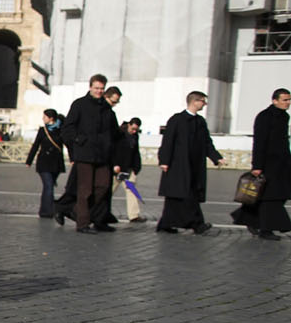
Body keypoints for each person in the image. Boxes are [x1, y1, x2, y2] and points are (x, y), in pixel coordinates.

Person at [156, 91, 226, 234]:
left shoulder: (200, 122)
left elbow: (207, 143)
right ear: (194, 101)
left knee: (179, 197)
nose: (204, 104)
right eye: (203, 101)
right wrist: (164, 161)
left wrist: (216, 157)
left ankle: (166, 223)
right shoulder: (176, 120)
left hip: (195, 166)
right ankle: (196, 224)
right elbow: (168, 141)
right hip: (178, 165)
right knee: (182, 195)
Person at [61, 75, 121, 234]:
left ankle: (77, 210)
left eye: (101, 89)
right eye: (96, 88)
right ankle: (82, 223)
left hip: (103, 155)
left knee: (103, 186)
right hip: (85, 153)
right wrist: (79, 141)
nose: (99, 91)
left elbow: (114, 133)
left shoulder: (107, 109)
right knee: (85, 190)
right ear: (90, 87)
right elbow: (68, 128)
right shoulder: (80, 104)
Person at [231, 88, 291, 240]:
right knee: (271, 197)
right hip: (267, 164)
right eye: (285, 100)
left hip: (282, 163)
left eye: (289, 100)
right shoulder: (264, 117)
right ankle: (266, 229)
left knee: (272, 195)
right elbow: (259, 142)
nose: (288, 103)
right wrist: (257, 165)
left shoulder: (284, 117)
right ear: (274, 100)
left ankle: (247, 217)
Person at [25, 109, 66, 218]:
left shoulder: (61, 130)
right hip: (44, 162)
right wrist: (29, 160)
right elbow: (36, 145)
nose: (43, 119)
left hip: (56, 163)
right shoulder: (42, 130)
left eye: (45, 117)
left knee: (49, 186)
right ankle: (47, 212)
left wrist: (73, 157)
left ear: (51, 118)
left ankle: (45, 209)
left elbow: (67, 144)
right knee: (48, 186)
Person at [115, 117, 145, 223]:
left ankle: (134, 215)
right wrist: (114, 164)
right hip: (117, 168)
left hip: (129, 168)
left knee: (131, 190)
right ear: (129, 125)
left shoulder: (135, 136)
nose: (134, 131)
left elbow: (135, 152)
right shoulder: (118, 133)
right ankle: (100, 212)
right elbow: (113, 150)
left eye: (136, 130)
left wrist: (137, 167)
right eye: (133, 129)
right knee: (108, 191)